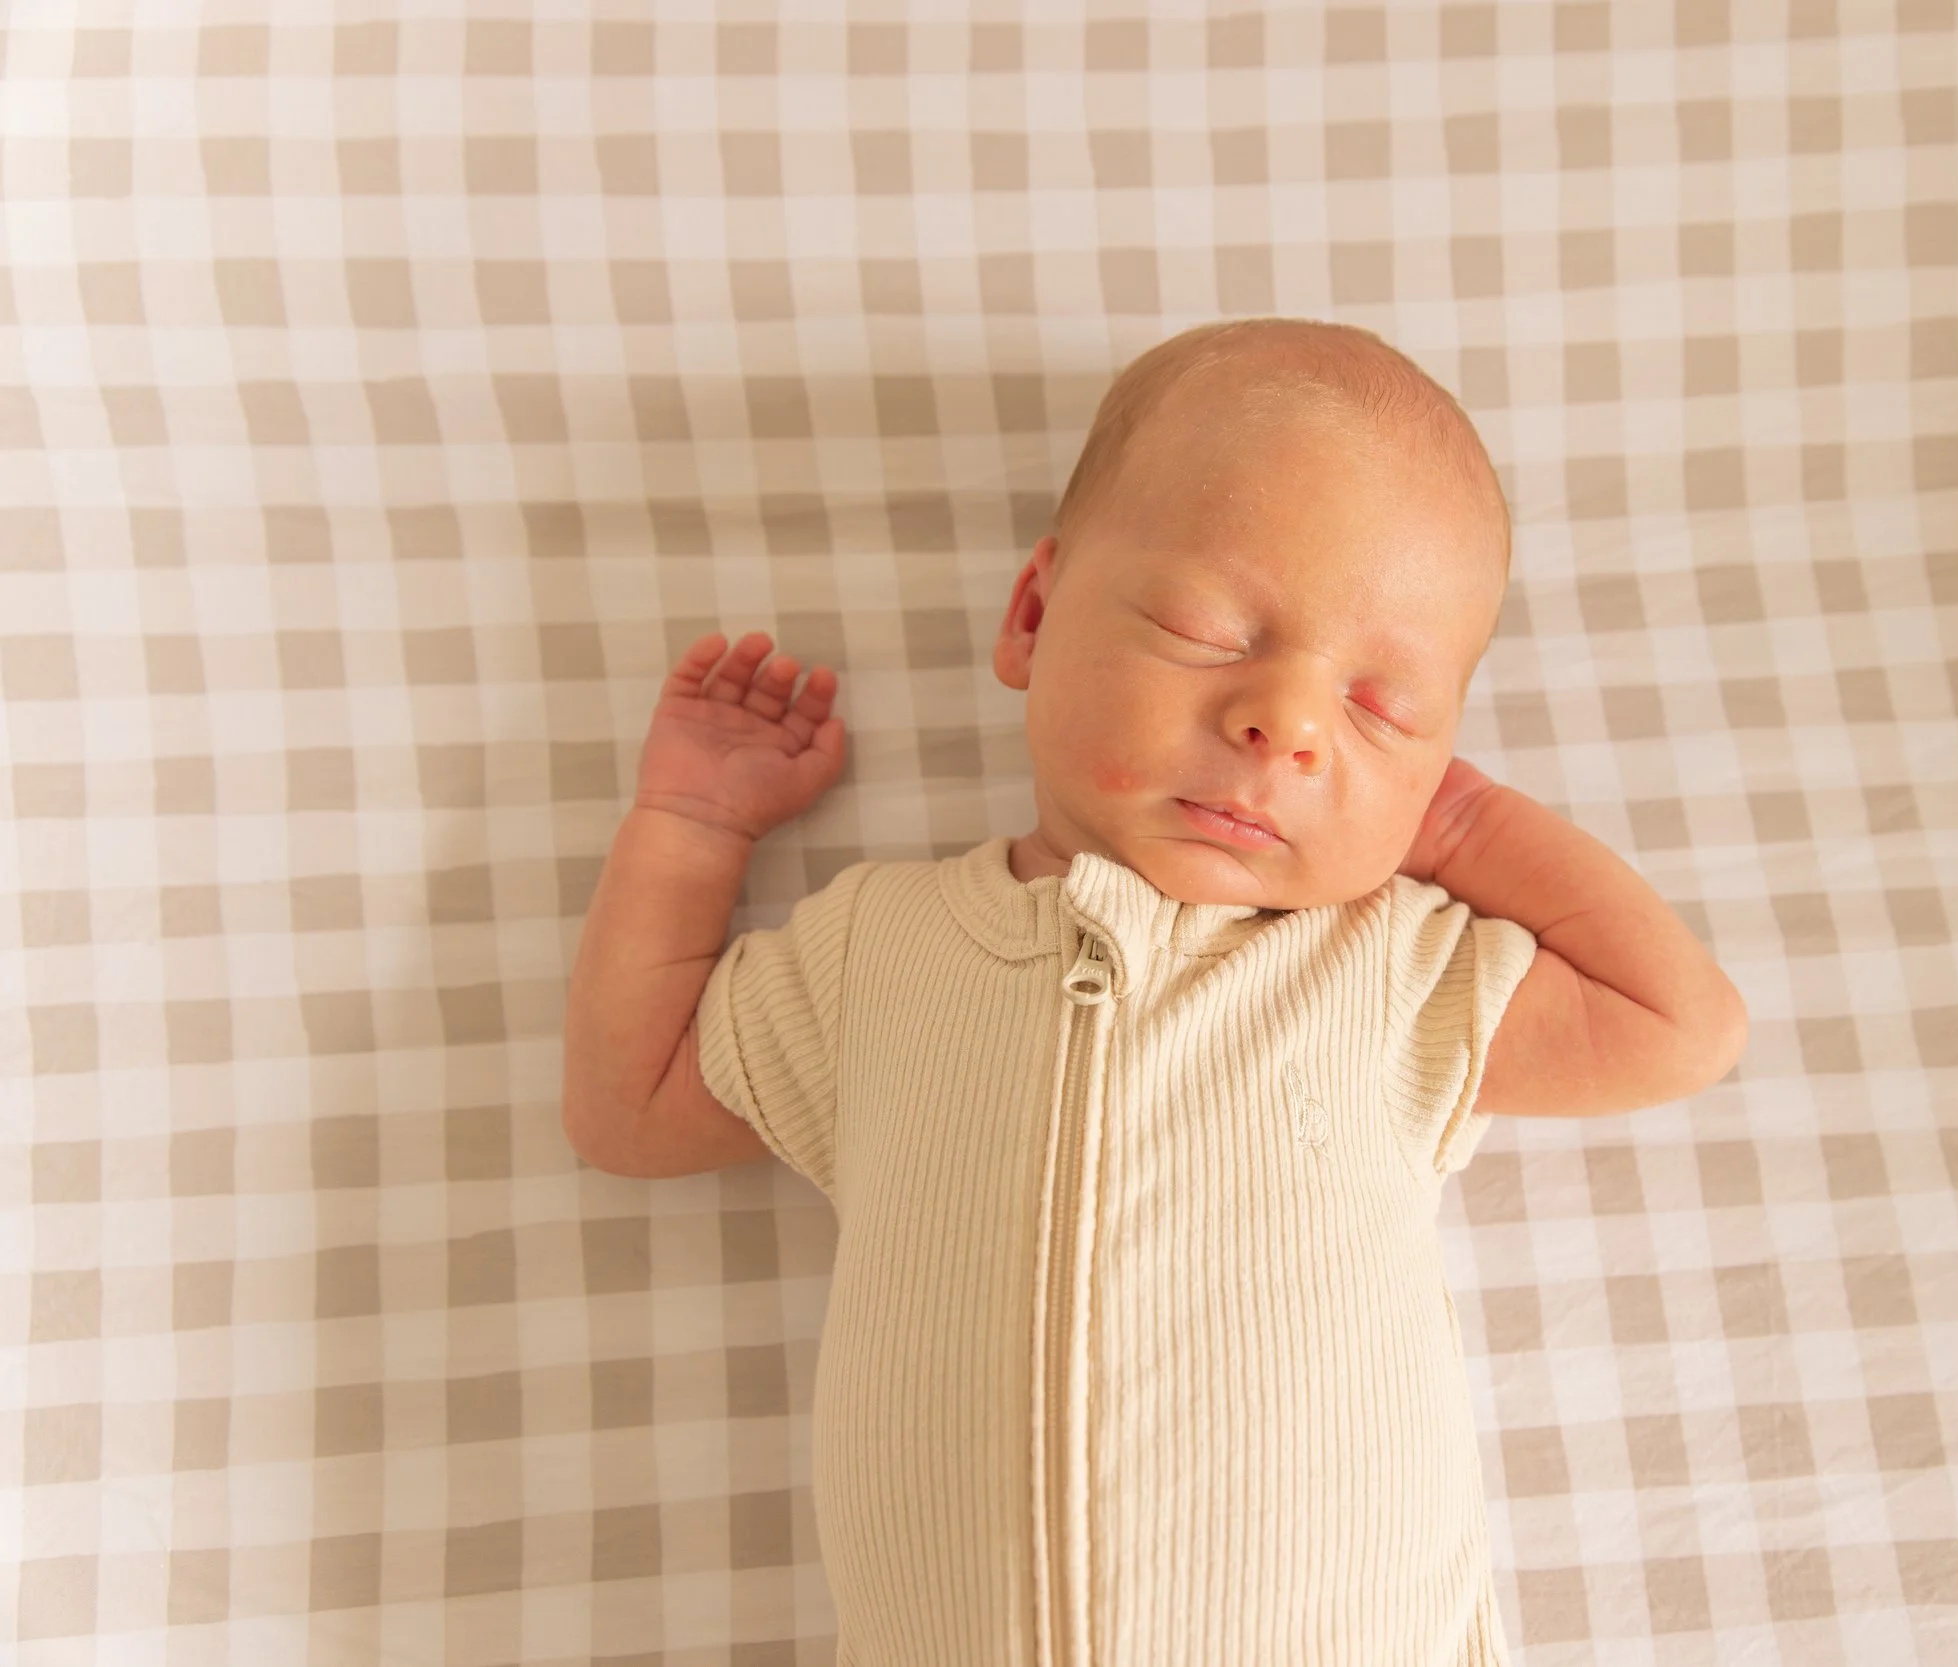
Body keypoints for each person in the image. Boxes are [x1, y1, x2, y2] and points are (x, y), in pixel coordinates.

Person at [561, 317, 1748, 1664]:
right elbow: (630, 1103)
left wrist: (1466, 827)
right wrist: (693, 828)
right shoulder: (878, 953)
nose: (1289, 725)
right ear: (1033, 615)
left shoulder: (1387, 973)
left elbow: (1683, 1024)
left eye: (1384, 709)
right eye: (1209, 630)